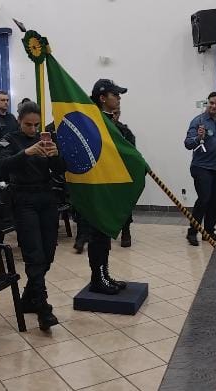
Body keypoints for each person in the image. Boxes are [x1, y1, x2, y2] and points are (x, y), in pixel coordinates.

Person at [0, 102, 63, 331]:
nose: (33, 129)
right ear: (19, 121)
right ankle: (43, 306)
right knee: (34, 252)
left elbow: (60, 170)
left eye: (36, 125)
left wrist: (55, 155)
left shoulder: (47, 138)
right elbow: (1, 165)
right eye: (28, 125)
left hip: (46, 197)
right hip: (23, 199)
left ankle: (28, 297)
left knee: (48, 252)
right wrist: (25, 152)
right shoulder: (9, 139)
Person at [77, 79, 133, 295]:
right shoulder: (93, 123)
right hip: (95, 188)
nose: (118, 98)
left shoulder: (113, 125)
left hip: (110, 187)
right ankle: (97, 279)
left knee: (104, 235)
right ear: (102, 98)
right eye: (115, 94)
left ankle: (104, 274)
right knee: (97, 235)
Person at [183, 92, 216, 246]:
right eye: (211, 103)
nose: (214, 106)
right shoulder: (198, 121)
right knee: (204, 198)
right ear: (207, 103)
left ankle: (209, 232)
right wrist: (198, 138)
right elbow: (187, 144)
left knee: (215, 200)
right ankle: (192, 232)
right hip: (201, 167)